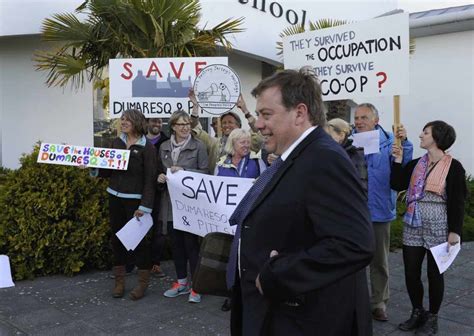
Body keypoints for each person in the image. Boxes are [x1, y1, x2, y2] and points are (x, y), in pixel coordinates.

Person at [228, 68, 375, 336]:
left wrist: (279, 274)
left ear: (299, 113)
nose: (258, 124)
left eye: (266, 114)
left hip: (304, 320)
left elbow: (355, 244)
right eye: (258, 114)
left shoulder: (324, 158)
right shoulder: (295, 155)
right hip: (278, 313)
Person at [391, 120, 467, 335]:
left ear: (437, 137)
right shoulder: (417, 164)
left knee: (435, 274)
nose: (421, 136)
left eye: (425, 132)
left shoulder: (454, 167)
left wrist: (455, 231)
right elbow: (396, 184)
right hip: (413, 224)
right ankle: (418, 311)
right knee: (410, 272)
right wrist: (397, 160)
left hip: (439, 225)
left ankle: (432, 317)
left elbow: (457, 201)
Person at [353, 103, 413, 321]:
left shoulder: (390, 142)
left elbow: (403, 166)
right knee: (351, 259)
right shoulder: (348, 142)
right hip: (353, 212)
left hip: (378, 211)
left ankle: (379, 302)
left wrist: (404, 142)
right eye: (357, 117)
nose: (358, 121)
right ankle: (353, 300)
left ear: (376, 121)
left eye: (364, 117)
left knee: (379, 261)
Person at [93, 109, 157, 300]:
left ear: (137, 122)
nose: (123, 122)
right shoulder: (116, 142)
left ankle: (142, 284)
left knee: (138, 243)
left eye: (127, 119)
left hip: (135, 202)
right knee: (117, 240)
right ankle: (119, 283)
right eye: (122, 119)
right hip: (115, 197)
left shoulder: (147, 148)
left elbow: (150, 179)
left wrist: (145, 206)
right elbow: (107, 171)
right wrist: (93, 166)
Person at [157, 110, 209, 304]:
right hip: (170, 204)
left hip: (190, 205)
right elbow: (160, 172)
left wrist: (185, 171)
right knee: (177, 245)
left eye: (187, 124)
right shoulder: (163, 147)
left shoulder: (199, 146)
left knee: (191, 246)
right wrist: (160, 178)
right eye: (181, 124)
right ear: (173, 127)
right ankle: (181, 283)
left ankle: (197, 286)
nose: (185, 127)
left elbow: (206, 172)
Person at [215, 128, 266, 312]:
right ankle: (231, 294)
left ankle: (248, 294)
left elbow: (267, 184)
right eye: (242, 142)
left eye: (247, 142)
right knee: (228, 258)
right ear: (232, 144)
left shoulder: (256, 162)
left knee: (246, 258)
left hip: (249, 219)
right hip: (227, 218)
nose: (246, 145)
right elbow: (214, 188)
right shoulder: (221, 163)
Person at [189, 89, 263, 172]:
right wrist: (195, 106)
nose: (227, 125)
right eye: (224, 123)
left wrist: (245, 111)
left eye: (230, 122)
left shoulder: (248, 141)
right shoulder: (215, 144)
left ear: (238, 126)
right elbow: (195, 128)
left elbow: (260, 133)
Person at [146, 118, 169, 278]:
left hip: (159, 191)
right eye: (154, 121)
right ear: (147, 122)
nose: (157, 125)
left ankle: (155, 263)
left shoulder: (166, 142)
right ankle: (132, 262)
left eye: (160, 122)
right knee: (136, 226)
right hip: (139, 190)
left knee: (158, 229)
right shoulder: (139, 141)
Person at [326, 118, 368, 193]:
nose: (325, 139)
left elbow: (361, 186)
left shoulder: (356, 155)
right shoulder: (328, 153)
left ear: (341, 135)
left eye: (329, 135)